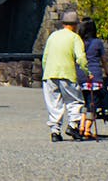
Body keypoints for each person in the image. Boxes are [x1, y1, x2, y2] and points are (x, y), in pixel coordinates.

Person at [41, 10, 88, 142]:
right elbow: (81, 58)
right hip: (67, 73)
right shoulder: (75, 38)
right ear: (75, 25)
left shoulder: (53, 36)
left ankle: (55, 131)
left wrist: (46, 71)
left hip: (50, 74)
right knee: (75, 100)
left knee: (54, 103)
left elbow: (45, 57)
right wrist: (87, 72)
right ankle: (73, 125)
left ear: (63, 24)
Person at [77, 20, 108, 139]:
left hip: (80, 76)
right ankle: (87, 129)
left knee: (83, 102)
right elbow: (104, 61)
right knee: (93, 103)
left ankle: (81, 126)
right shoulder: (97, 43)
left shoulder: (78, 42)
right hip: (94, 76)